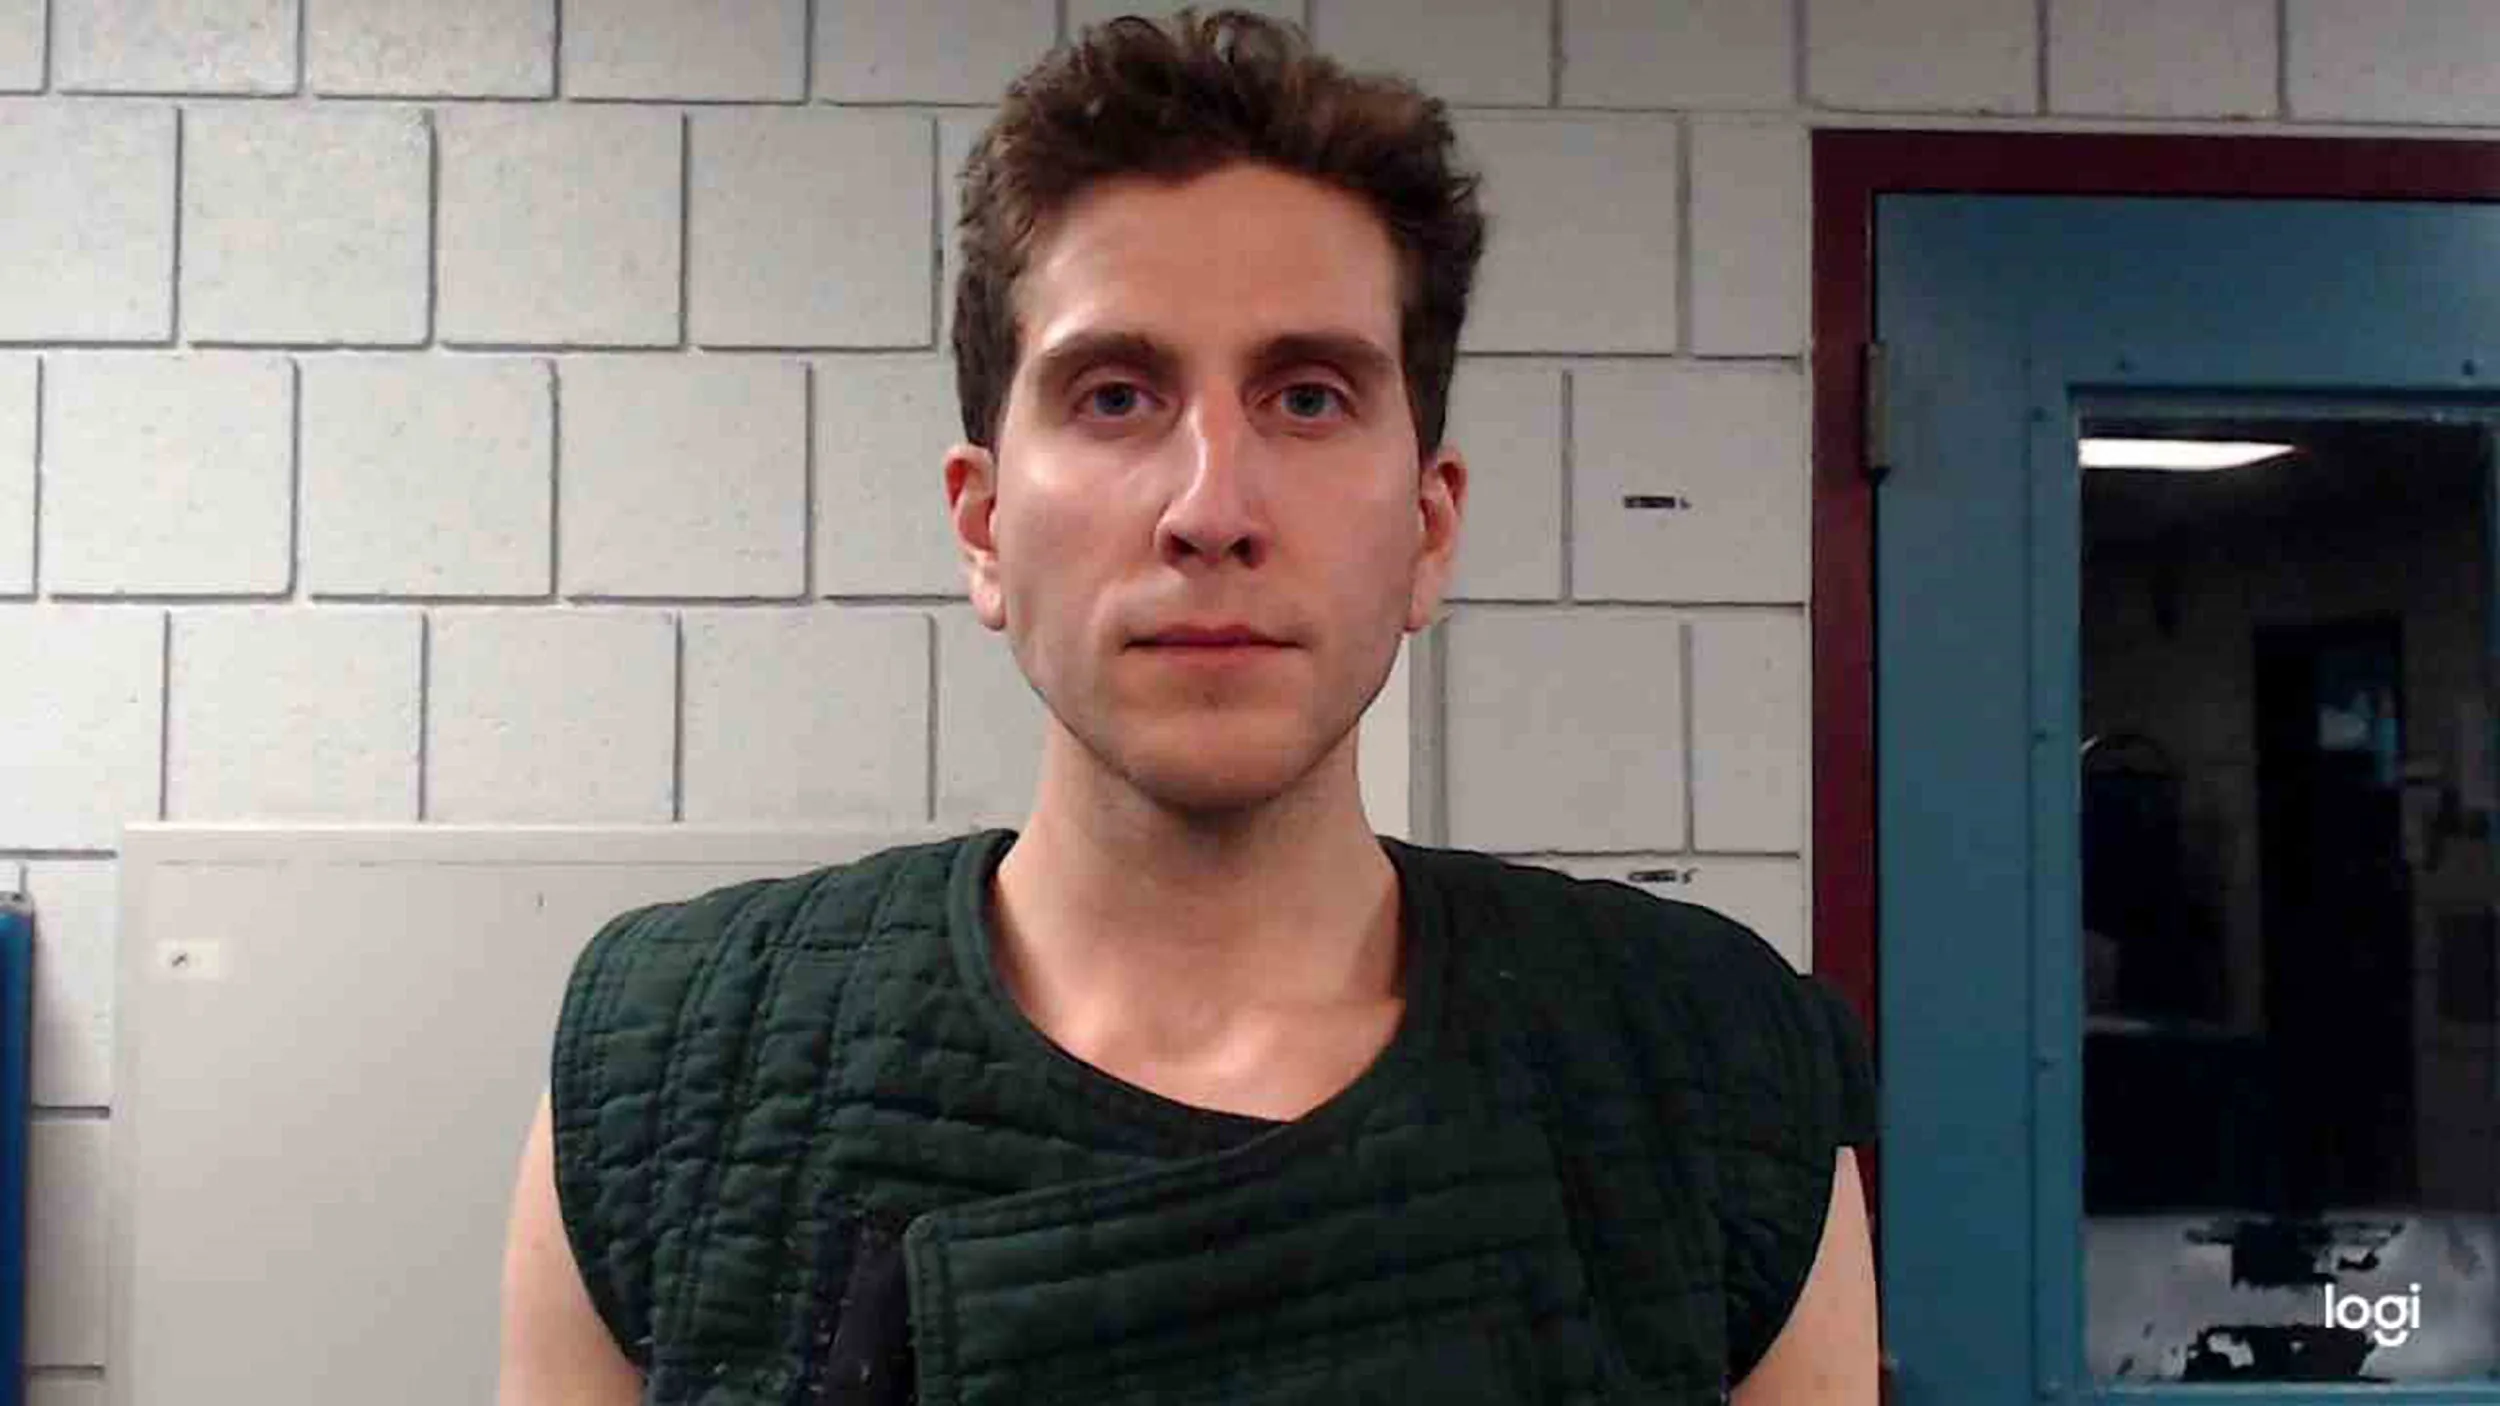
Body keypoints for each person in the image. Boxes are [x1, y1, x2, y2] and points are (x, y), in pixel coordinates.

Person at [496, 10, 1879, 1404]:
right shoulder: (668, 1066)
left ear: (1430, 526)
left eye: (1311, 395)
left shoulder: (1713, 1072)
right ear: (982, 528)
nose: (1211, 506)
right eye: (1113, 395)